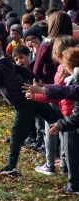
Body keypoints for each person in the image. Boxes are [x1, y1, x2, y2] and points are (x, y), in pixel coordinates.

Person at [0, 37, 63, 176]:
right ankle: (73, 127)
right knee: (56, 118)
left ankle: (11, 166)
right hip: (30, 96)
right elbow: (22, 70)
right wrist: (36, 78)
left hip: (24, 101)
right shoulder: (6, 63)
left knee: (17, 133)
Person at [23, 48, 79, 195]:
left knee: (72, 151)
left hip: (71, 121)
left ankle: (74, 185)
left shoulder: (75, 81)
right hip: (69, 119)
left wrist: (61, 124)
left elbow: (67, 93)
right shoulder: (72, 80)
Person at [33, 11, 73, 176]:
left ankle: (50, 164)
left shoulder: (47, 45)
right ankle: (65, 163)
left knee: (50, 127)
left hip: (50, 89)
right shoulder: (73, 43)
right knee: (65, 126)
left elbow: (36, 70)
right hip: (70, 90)